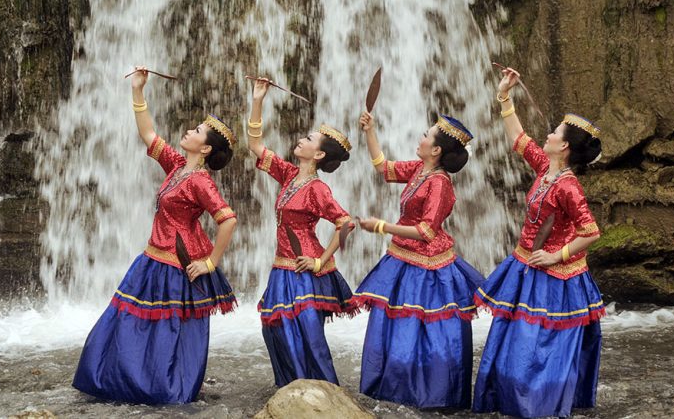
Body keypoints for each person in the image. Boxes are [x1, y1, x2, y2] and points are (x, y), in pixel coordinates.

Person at [72, 66, 238, 404]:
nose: (189, 131)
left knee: (167, 329)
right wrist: (138, 90)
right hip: (152, 258)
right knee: (127, 320)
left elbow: (228, 220)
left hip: (179, 264)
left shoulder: (200, 181)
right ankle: (120, 381)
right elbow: (148, 134)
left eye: (197, 130)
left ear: (205, 149)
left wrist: (209, 262)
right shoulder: (178, 166)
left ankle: (163, 388)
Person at [473, 66, 605, 418]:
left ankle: (539, 405)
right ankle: (510, 400)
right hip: (527, 265)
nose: (547, 134)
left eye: (554, 132)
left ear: (563, 146)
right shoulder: (547, 168)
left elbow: (590, 232)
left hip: (555, 277)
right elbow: (519, 139)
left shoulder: (567, 185)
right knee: (517, 337)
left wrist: (556, 255)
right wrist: (504, 95)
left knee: (539, 344)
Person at [351, 111, 484, 409]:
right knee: (399, 322)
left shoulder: (439, 183)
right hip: (402, 256)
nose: (420, 137)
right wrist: (370, 131)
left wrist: (383, 226)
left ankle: (430, 395)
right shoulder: (419, 170)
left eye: (426, 135)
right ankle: (392, 389)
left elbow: (426, 231)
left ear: (436, 150)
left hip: (428, 265)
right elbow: (384, 169)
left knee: (421, 327)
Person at [247, 77, 358, 387]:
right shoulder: (289, 175)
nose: (301, 141)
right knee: (276, 329)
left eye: (309, 139)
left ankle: (323, 393)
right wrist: (258, 99)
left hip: (305, 269)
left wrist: (321, 261)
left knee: (307, 334)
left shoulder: (317, 189)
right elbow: (256, 145)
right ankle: (291, 390)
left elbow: (345, 223)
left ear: (319, 155)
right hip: (281, 268)